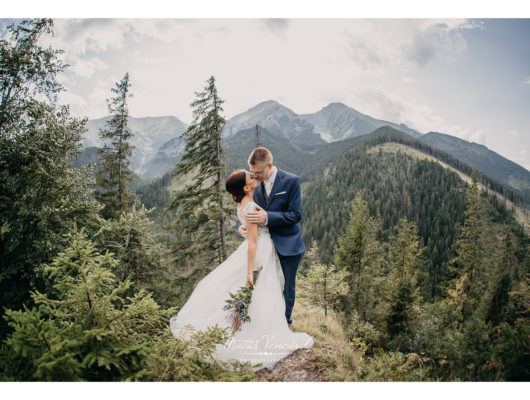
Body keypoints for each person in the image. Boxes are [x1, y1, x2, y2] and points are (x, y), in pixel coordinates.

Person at [170, 169, 313, 372]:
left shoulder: (244, 204)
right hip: (259, 251)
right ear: (246, 187)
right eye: (251, 177)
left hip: (259, 248)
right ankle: (256, 330)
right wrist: (249, 271)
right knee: (262, 289)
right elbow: (253, 242)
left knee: (255, 290)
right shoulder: (252, 207)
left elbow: (248, 223)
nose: (256, 177)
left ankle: (246, 324)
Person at [237, 147, 305, 331]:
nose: (255, 176)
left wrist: (267, 218)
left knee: (287, 285)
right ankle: (266, 323)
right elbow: (247, 206)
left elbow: (296, 215)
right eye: (252, 172)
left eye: (259, 172)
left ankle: (286, 323)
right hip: (263, 246)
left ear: (270, 165)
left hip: (288, 243)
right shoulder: (255, 184)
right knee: (266, 285)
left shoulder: (291, 181)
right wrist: (241, 227)